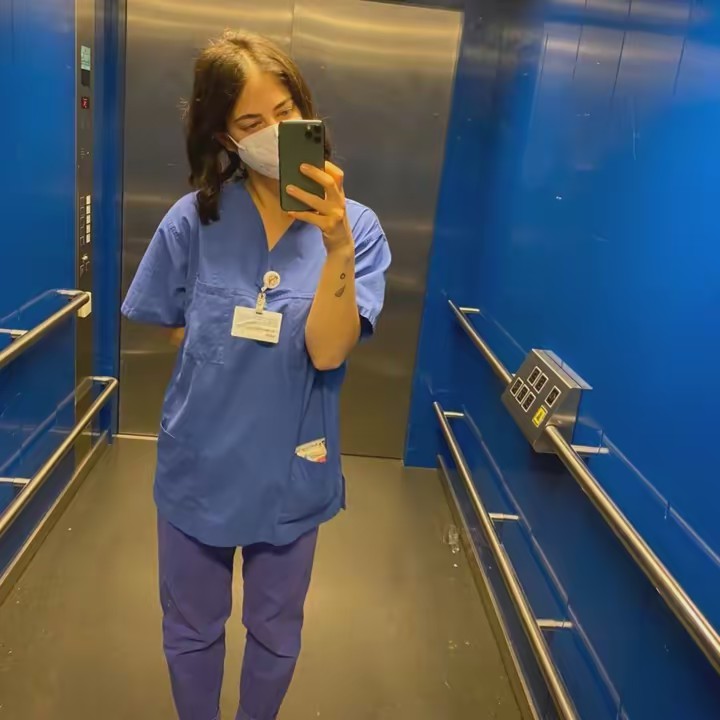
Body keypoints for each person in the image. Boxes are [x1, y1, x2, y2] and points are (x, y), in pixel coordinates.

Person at [121, 30, 391, 720]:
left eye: (285, 111)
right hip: (199, 467)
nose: (274, 131)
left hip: (291, 471)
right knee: (190, 629)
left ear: (306, 111)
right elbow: (170, 319)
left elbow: (329, 352)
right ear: (224, 136)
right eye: (251, 122)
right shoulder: (194, 219)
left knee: (275, 632)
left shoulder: (357, 230)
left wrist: (334, 246)